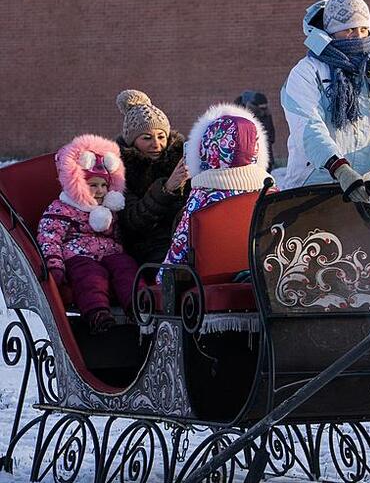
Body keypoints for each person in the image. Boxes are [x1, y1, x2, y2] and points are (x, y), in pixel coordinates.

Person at [281, 0, 370, 202]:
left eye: (364, 29)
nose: (358, 36)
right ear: (330, 33)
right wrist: (339, 168)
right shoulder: (307, 72)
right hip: (316, 191)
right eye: (349, 30)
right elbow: (308, 127)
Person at [37, 135, 138, 334]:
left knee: (126, 267)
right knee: (90, 277)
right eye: (93, 185)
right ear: (79, 185)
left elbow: (117, 236)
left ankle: (137, 304)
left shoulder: (109, 209)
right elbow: (50, 237)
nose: (100, 191)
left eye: (104, 185)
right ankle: (97, 312)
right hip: (78, 256)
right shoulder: (62, 208)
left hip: (110, 254)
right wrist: (55, 265)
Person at [163, 103, 273, 273]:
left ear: (208, 148)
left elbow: (179, 250)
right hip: (261, 281)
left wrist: (161, 278)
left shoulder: (203, 196)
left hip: (209, 285)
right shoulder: (270, 195)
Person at [115, 90, 190, 266]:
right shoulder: (120, 170)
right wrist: (166, 189)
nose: (156, 144)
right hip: (149, 247)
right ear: (132, 141)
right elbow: (132, 220)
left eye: (161, 136)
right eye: (147, 138)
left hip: (186, 238)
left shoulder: (182, 160)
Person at [233, 91, 276, 171]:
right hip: (264, 158)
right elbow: (272, 137)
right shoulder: (266, 115)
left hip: (247, 160)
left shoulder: (241, 118)